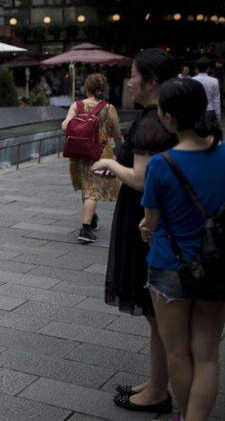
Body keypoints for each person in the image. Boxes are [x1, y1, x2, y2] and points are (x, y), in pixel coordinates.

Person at [91, 49, 177, 413]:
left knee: (156, 310)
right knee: (153, 312)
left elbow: (142, 180)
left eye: (134, 75)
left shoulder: (151, 122)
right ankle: (156, 382)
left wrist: (111, 161)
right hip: (153, 215)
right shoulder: (159, 117)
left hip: (145, 218)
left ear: (152, 82)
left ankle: (159, 391)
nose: (129, 81)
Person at [139, 78, 225, 421]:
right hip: (216, 266)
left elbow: (150, 221)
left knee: (177, 352)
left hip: (169, 267)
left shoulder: (162, 164)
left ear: (170, 117)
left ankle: (185, 415)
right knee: (207, 355)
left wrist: (147, 229)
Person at [62, 73, 122, 243]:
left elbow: (65, 126)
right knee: (92, 190)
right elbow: (117, 134)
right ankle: (85, 229)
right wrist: (119, 148)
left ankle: (92, 217)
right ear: (102, 89)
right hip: (100, 153)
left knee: (87, 187)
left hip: (78, 154)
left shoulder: (77, 105)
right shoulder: (109, 108)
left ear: (87, 88)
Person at [191, 57, 221, 125]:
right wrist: (218, 115)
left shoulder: (192, 80)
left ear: (197, 68)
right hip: (210, 110)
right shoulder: (214, 81)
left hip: (196, 111)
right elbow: (216, 100)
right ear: (208, 68)